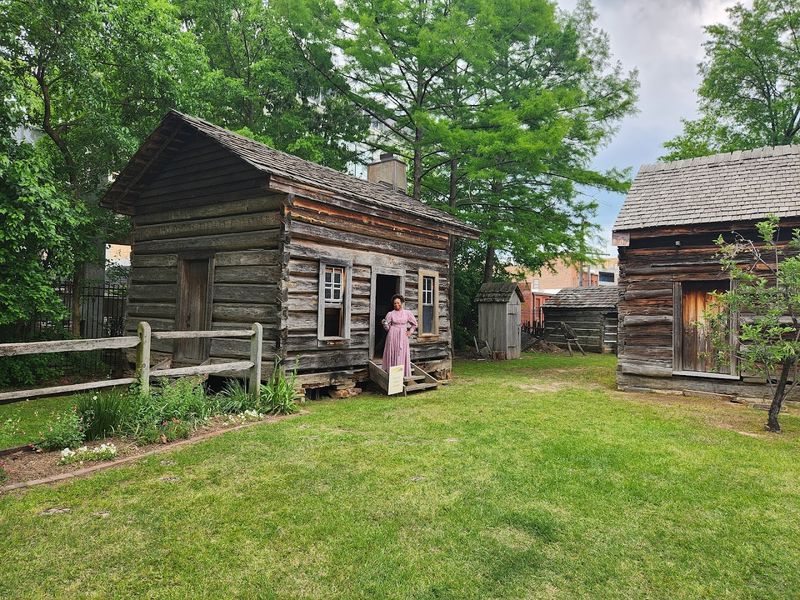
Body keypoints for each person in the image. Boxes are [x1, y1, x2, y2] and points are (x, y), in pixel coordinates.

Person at [382, 294, 417, 378]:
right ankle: (392, 374)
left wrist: (410, 332)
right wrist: (385, 324)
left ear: (401, 303)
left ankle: (402, 374)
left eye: (398, 303)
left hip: (403, 336)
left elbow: (414, 324)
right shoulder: (390, 314)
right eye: (395, 303)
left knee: (401, 353)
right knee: (393, 352)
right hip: (392, 335)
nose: (396, 304)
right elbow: (387, 328)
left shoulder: (407, 313)